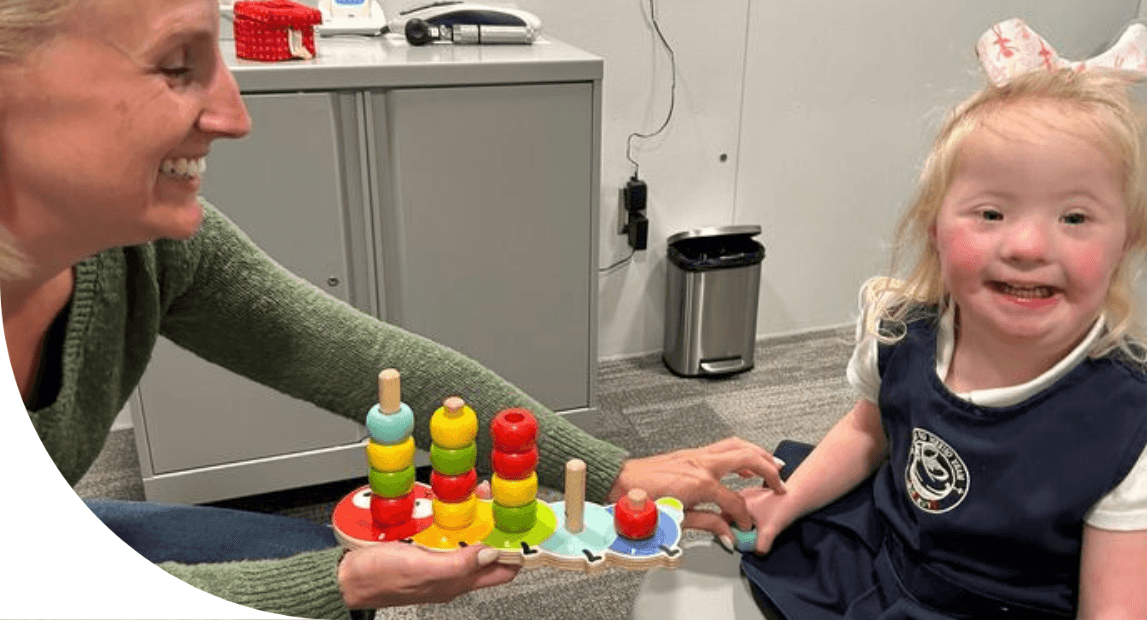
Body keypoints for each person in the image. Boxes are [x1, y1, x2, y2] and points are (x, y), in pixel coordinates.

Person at [0, 0, 785, 618]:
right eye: (178, 66)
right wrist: (334, 588)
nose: (236, 116)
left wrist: (616, 472)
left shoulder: (151, 250)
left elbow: (372, 365)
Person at [734, 18, 1147, 620]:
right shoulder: (905, 332)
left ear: (1128, 242)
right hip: (891, 563)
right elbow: (868, 433)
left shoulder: (1137, 426)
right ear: (934, 230)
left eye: (1076, 218)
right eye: (990, 213)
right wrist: (787, 501)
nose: (1029, 246)